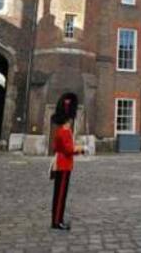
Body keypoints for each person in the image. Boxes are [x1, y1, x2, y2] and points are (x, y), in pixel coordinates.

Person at [50, 93, 85, 230]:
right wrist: (81, 149)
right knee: (60, 195)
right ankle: (57, 222)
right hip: (64, 165)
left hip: (62, 163)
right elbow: (69, 150)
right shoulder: (64, 131)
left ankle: (56, 219)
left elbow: (59, 147)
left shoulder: (62, 130)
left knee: (60, 194)